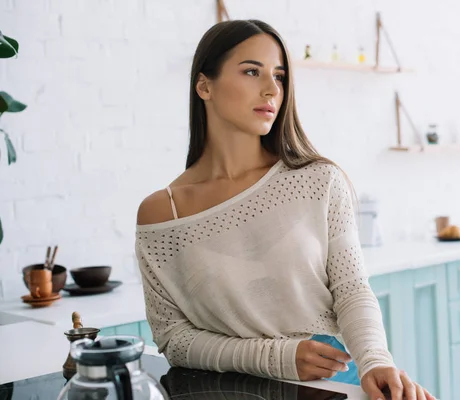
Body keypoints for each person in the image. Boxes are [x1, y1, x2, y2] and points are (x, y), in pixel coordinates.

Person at [135, 19, 436, 400]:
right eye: (251, 71)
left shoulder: (319, 180)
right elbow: (173, 339)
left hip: (331, 387)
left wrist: (376, 361)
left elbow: (352, 289)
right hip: (224, 392)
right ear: (204, 85)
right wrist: (274, 357)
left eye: (279, 76)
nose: (271, 89)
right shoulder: (162, 212)